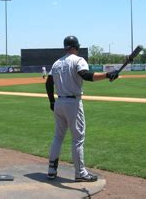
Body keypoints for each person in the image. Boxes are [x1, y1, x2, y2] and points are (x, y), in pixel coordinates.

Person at [45, 35, 119, 182]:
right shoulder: (78, 60)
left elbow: (48, 83)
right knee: (77, 139)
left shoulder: (57, 63)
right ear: (76, 47)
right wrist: (107, 75)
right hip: (73, 103)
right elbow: (85, 75)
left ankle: (51, 170)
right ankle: (80, 173)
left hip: (59, 102)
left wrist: (52, 102)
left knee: (58, 137)